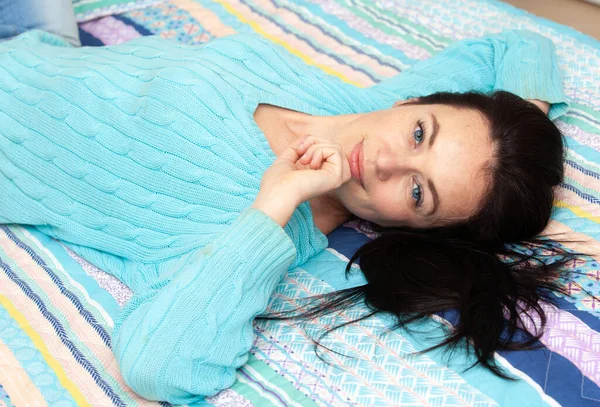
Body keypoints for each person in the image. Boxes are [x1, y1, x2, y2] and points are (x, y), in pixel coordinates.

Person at [0, 2, 576, 404]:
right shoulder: (361, 101)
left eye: (419, 192)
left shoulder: (261, 230)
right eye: (420, 133)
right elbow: (518, 44)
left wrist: (273, 204)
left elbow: (156, 366)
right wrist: (519, 138)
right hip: (32, 37)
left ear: (414, 227)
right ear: (415, 101)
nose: (386, 162)